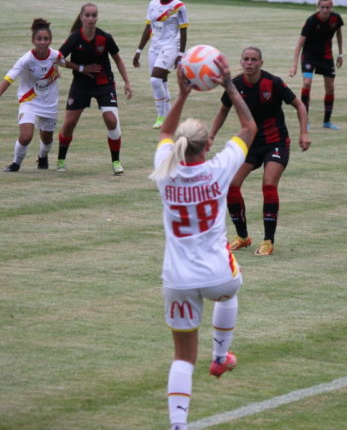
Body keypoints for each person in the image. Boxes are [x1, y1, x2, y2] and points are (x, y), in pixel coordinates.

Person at [150, 56, 256, 430]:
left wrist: (180, 94)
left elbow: (165, 132)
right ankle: (221, 356)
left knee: (181, 358)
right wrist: (229, 85)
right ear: (207, 143)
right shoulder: (218, 168)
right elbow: (248, 127)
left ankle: (178, 425)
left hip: (177, 278)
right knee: (230, 292)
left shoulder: (165, 167)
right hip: (217, 274)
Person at [210, 46, 310, 256]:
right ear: (241, 61)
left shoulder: (272, 82)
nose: (249, 63)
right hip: (250, 144)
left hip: (276, 142)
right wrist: (210, 136)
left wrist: (303, 133)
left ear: (261, 63)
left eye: (253, 59)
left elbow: (299, 105)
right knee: (231, 185)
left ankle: (268, 241)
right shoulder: (235, 84)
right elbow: (223, 111)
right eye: (245, 59)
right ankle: (243, 237)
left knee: (269, 185)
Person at [57, 3, 132, 175]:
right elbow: (59, 59)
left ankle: (116, 161)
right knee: (69, 124)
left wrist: (127, 82)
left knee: (111, 120)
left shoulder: (105, 37)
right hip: (81, 85)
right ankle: (61, 159)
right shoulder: (75, 38)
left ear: (97, 17)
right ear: (81, 17)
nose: (91, 19)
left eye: (94, 15)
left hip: (104, 84)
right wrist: (82, 68)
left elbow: (118, 60)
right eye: (88, 15)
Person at [1, 18, 69, 172]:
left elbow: (65, 64)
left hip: (49, 102)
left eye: (46, 39)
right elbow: (9, 78)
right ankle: (15, 164)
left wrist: (80, 69)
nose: (42, 42)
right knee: (26, 136)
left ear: (50, 40)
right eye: (39, 39)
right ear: (33, 40)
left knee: (47, 138)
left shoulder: (55, 55)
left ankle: (43, 157)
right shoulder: (25, 60)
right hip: (29, 100)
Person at [133, 0, 188, 129]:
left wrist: (181, 55)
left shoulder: (179, 6)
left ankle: (161, 116)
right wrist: (139, 50)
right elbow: (148, 28)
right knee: (162, 82)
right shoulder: (152, 4)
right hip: (154, 47)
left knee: (155, 80)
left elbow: (183, 31)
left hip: (171, 47)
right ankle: (171, 115)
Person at [289, 0, 344, 130]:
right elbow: (299, 45)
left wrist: (341, 53)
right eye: (322, 7)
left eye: (328, 7)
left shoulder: (336, 18)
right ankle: (305, 120)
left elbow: (339, 33)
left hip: (326, 57)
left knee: (330, 87)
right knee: (307, 83)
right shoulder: (311, 21)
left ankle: (327, 121)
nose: (325, 10)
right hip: (309, 56)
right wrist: (294, 65)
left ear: (331, 7)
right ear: (318, 8)